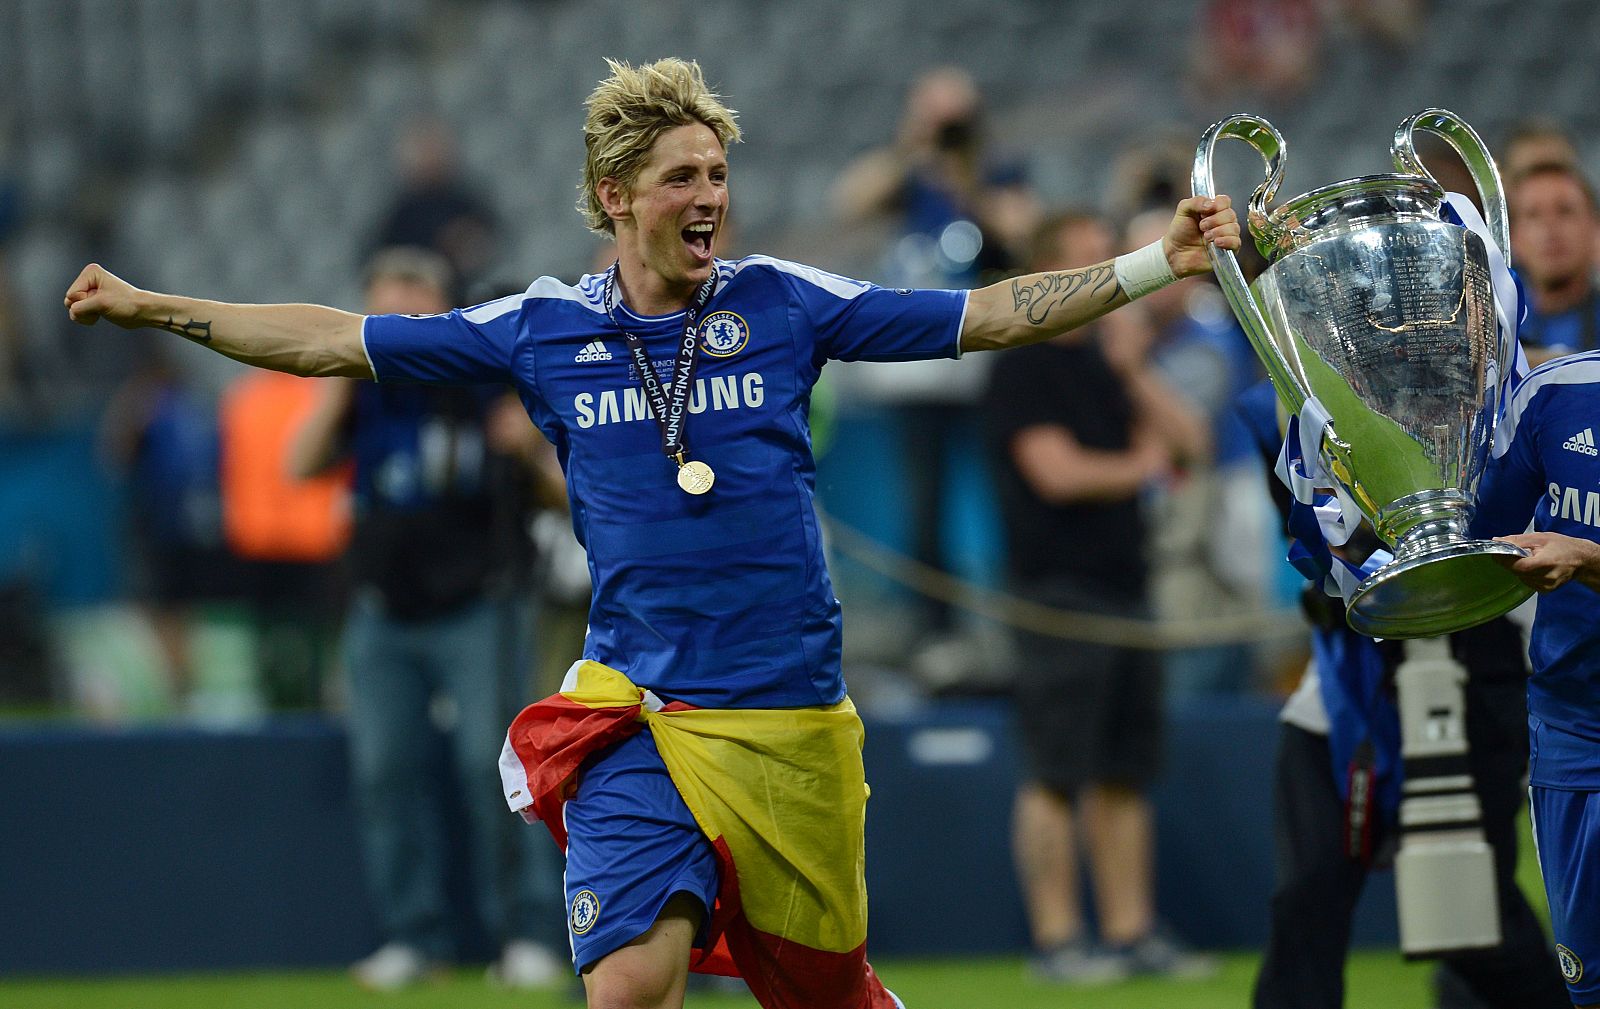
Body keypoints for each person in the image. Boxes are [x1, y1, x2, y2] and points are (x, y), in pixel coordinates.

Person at [63, 57, 1239, 1009]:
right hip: (639, 709)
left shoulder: (783, 300)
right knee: (627, 983)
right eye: (682, 176)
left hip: (787, 716)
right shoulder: (541, 329)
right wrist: (155, 307)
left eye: (718, 173)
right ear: (616, 195)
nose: (710, 197)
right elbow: (335, 341)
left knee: (825, 994)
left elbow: (987, 315)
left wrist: (1155, 263)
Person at [1234, 381, 1569, 1009]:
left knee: (1477, 921)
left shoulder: (1505, 395)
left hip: (1475, 671)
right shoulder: (1292, 400)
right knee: (1307, 895)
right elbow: (1308, 534)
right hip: (1344, 682)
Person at [286, 247, 566, 990]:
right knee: (385, 771)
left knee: (493, 766)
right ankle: (415, 936)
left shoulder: (487, 378)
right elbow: (299, 464)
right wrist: (338, 383)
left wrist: (529, 445)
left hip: (480, 603)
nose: (401, 310)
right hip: (383, 607)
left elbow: (569, 496)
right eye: (386, 300)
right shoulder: (366, 392)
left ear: (446, 308)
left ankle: (527, 932)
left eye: (415, 295)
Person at [984, 210, 1213, 984]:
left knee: (1123, 770)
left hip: (1127, 584)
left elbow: (1191, 442)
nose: (1105, 276)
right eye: (1087, 262)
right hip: (1057, 593)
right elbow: (1058, 473)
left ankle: (1130, 930)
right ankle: (1057, 940)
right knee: (1056, 771)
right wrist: (1142, 468)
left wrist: (1133, 369)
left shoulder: (1112, 360)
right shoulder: (1021, 364)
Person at [1470, 350, 1600, 1009]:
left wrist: (1587, 559)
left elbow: (1576, 555)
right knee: (1589, 984)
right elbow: (1476, 534)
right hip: (1573, 725)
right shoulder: (1553, 394)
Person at [1510, 160, 1600, 365]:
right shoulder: (1496, 334)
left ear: (1595, 227)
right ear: (1514, 237)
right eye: (1533, 215)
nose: (1549, 229)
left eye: (1565, 211)